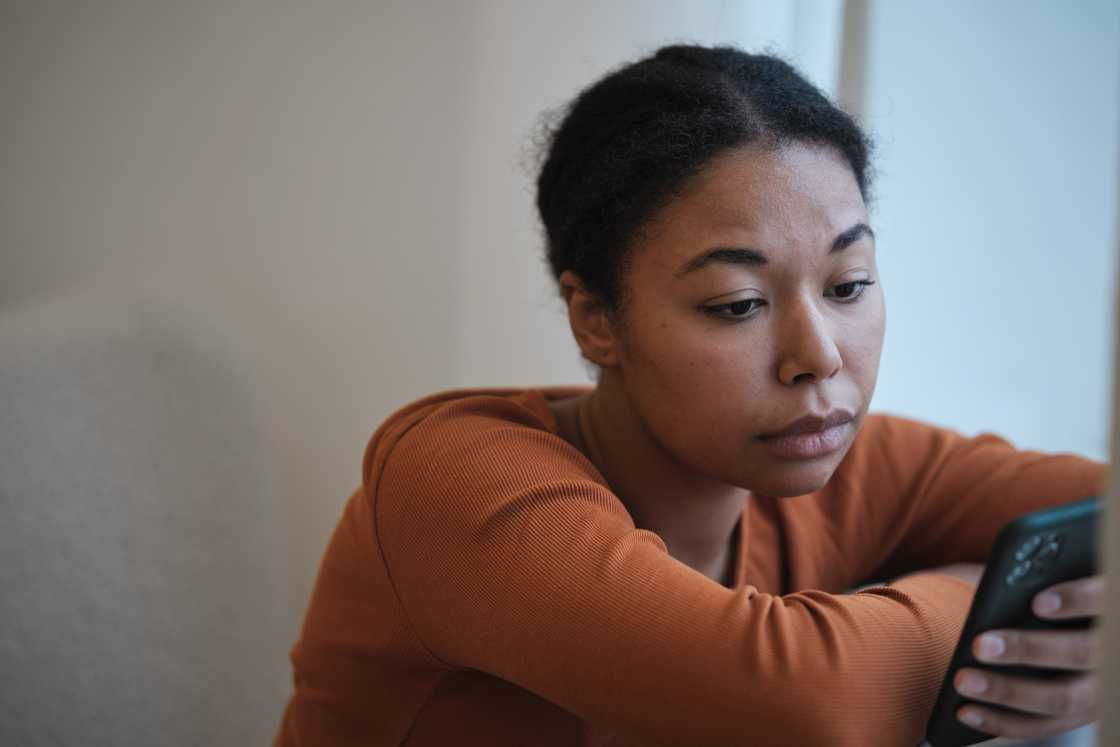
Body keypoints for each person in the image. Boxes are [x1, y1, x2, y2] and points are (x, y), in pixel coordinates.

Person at [273, 45, 1106, 746]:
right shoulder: (460, 479)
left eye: (848, 284)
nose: (817, 357)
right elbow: (802, 702)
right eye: (738, 305)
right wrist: (993, 601)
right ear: (596, 319)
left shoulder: (835, 454)